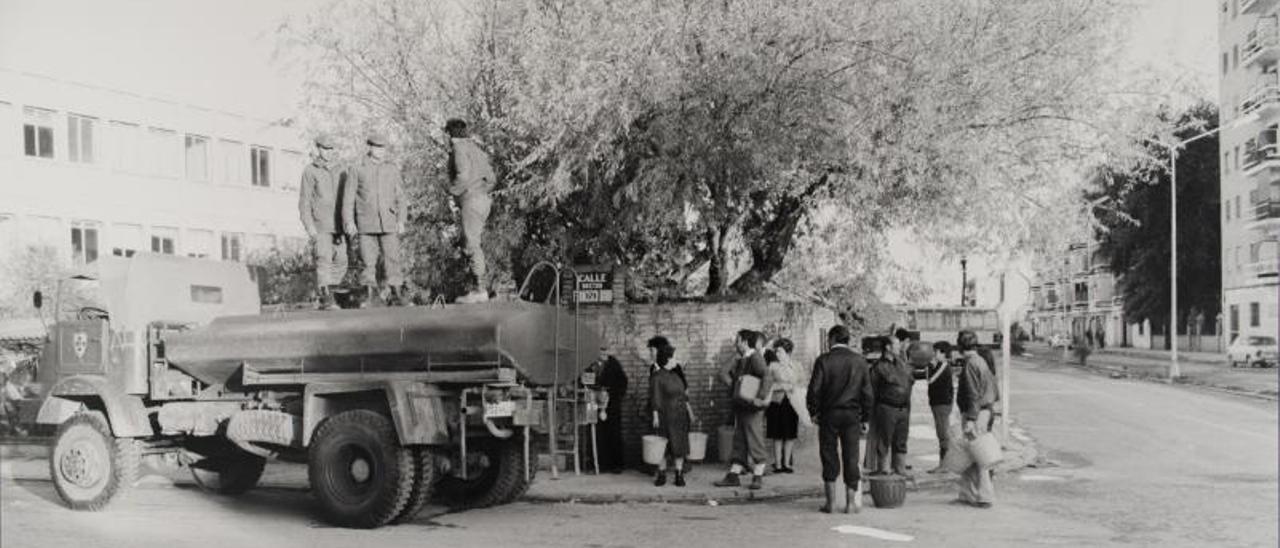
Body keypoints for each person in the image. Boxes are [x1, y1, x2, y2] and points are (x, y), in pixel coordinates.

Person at [807, 325, 873, 514]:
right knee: (852, 457)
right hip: (852, 415)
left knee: (828, 454)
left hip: (829, 414)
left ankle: (831, 503)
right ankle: (851, 503)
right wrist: (866, 418)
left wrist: (814, 412)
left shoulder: (824, 360)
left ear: (833, 338)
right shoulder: (859, 361)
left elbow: (814, 391)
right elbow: (867, 393)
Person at [342, 132, 408, 306]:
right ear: (369, 147)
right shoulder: (357, 169)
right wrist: (349, 221)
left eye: (383, 147)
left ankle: (397, 294)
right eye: (377, 147)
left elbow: (400, 196)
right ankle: (370, 295)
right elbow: (348, 198)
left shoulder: (392, 169)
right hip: (366, 222)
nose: (380, 150)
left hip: (389, 221)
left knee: (393, 258)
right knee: (367, 261)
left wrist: (401, 220)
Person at [444, 118, 497, 304]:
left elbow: (463, 175)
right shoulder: (478, 150)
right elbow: (491, 179)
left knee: (472, 243)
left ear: (449, 134)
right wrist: (481, 192)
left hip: (471, 200)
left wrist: (453, 193)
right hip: (484, 201)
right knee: (474, 242)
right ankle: (480, 286)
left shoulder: (459, 149)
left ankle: (479, 289)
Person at [714, 330, 773, 490]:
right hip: (742, 407)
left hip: (751, 408)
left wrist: (760, 397)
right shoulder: (745, 359)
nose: (736, 344)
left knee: (755, 440)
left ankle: (758, 477)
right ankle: (733, 476)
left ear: (745, 342)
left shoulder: (755, 358)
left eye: (738, 341)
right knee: (740, 442)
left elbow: (767, 376)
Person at [297, 134, 348, 310]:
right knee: (323, 259)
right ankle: (326, 296)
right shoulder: (310, 171)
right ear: (318, 149)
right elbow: (304, 202)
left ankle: (332, 292)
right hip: (321, 224)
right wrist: (309, 226)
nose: (328, 152)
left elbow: (348, 197)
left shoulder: (342, 170)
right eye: (325, 148)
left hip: (339, 225)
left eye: (331, 148)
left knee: (341, 260)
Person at [956, 330, 998, 508]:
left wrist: (971, 419)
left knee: (980, 456)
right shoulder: (981, 361)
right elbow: (994, 391)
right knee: (971, 454)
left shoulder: (970, 364)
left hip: (976, 413)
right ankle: (967, 492)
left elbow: (973, 394)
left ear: (960, 346)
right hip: (985, 411)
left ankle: (984, 495)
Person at [647, 336, 691, 487]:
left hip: (679, 414)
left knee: (680, 445)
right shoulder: (656, 377)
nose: (676, 360)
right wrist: (655, 415)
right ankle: (662, 474)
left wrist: (689, 412)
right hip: (664, 414)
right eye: (673, 358)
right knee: (663, 446)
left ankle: (679, 474)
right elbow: (655, 397)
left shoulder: (675, 373)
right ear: (666, 359)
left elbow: (684, 392)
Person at [869, 335, 914, 476]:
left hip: (903, 408)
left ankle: (900, 467)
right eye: (896, 344)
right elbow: (872, 390)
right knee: (884, 439)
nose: (899, 347)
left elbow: (909, 381)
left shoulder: (901, 363)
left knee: (901, 439)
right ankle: (883, 468)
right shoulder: (878, 367)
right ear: (888, 347)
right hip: (887, 408)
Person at [590, 345, 628, 473]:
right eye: (601, 350)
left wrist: (614, 396)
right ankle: (599, 464)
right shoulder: (591, 365)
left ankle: (616, 464)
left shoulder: (614, 364)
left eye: (605, 350)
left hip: (612, 405)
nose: (603, 353)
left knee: (614, 433)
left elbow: (623, 382)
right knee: (597, 433)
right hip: (594, 403)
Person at [765, 339, 800, 473]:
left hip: (792, 402)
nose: (777, 354)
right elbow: (767, 384)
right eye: (776, 351)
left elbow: (802, 382)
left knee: (790, 434)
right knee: (777, 434)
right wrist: (779, 386)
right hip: (776, 402)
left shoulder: (796, 365)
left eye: (779, 351)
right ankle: (778, 464)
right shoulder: (772, 366)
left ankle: (787, 464)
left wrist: (793, 387)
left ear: (788, 352)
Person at [926, 341, 956, 473]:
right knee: (941, 433)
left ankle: (945, 465)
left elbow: (930, 380)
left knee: (943, 434)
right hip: (937, 403)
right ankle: (944, 464)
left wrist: (931, 367)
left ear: (943, 353)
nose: (934, 354)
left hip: (942, 404)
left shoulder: (944, 366)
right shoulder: (938, 365)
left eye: (936, 351)